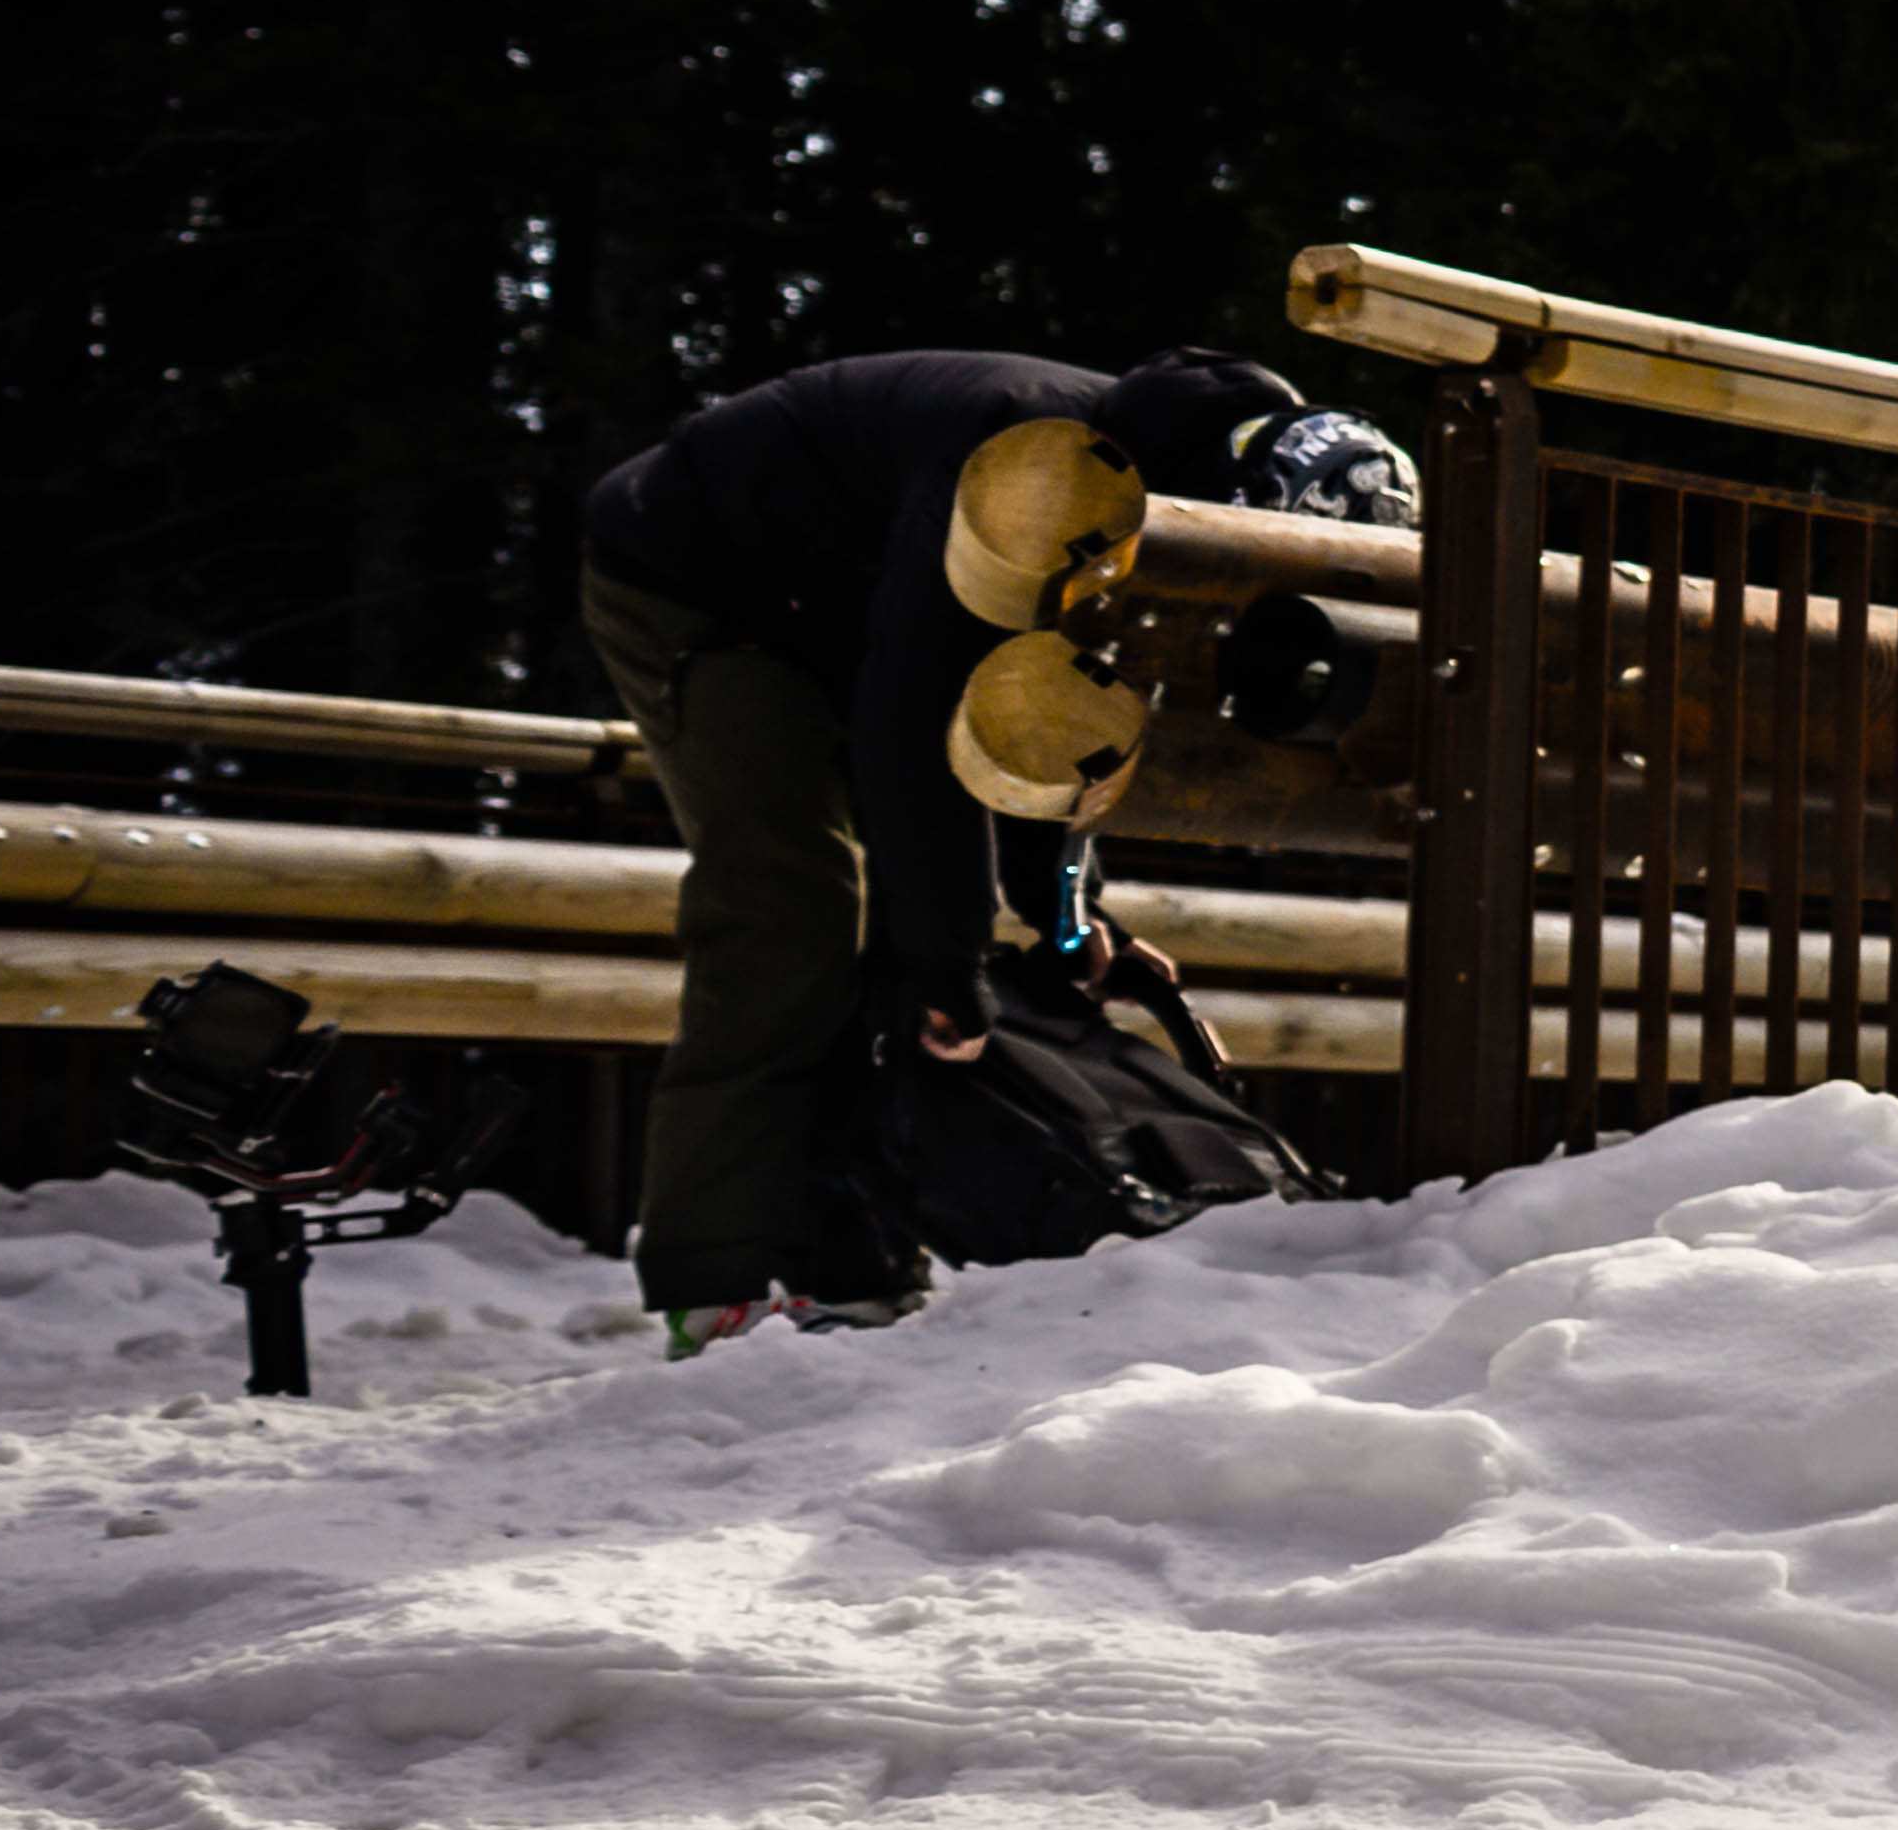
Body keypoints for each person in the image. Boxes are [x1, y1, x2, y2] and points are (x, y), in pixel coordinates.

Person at [567, 348, 1401, 1338]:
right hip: (704, 579)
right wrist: (943, 960)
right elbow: (920, 721)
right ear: (1231, 497)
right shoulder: (1031, 470)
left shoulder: (1174, 524)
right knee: (792, 906)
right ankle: (722, 1276)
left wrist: (1068, 921)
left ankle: (850, 1252)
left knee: (925, 936)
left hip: (852, 596)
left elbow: (1039, 740)